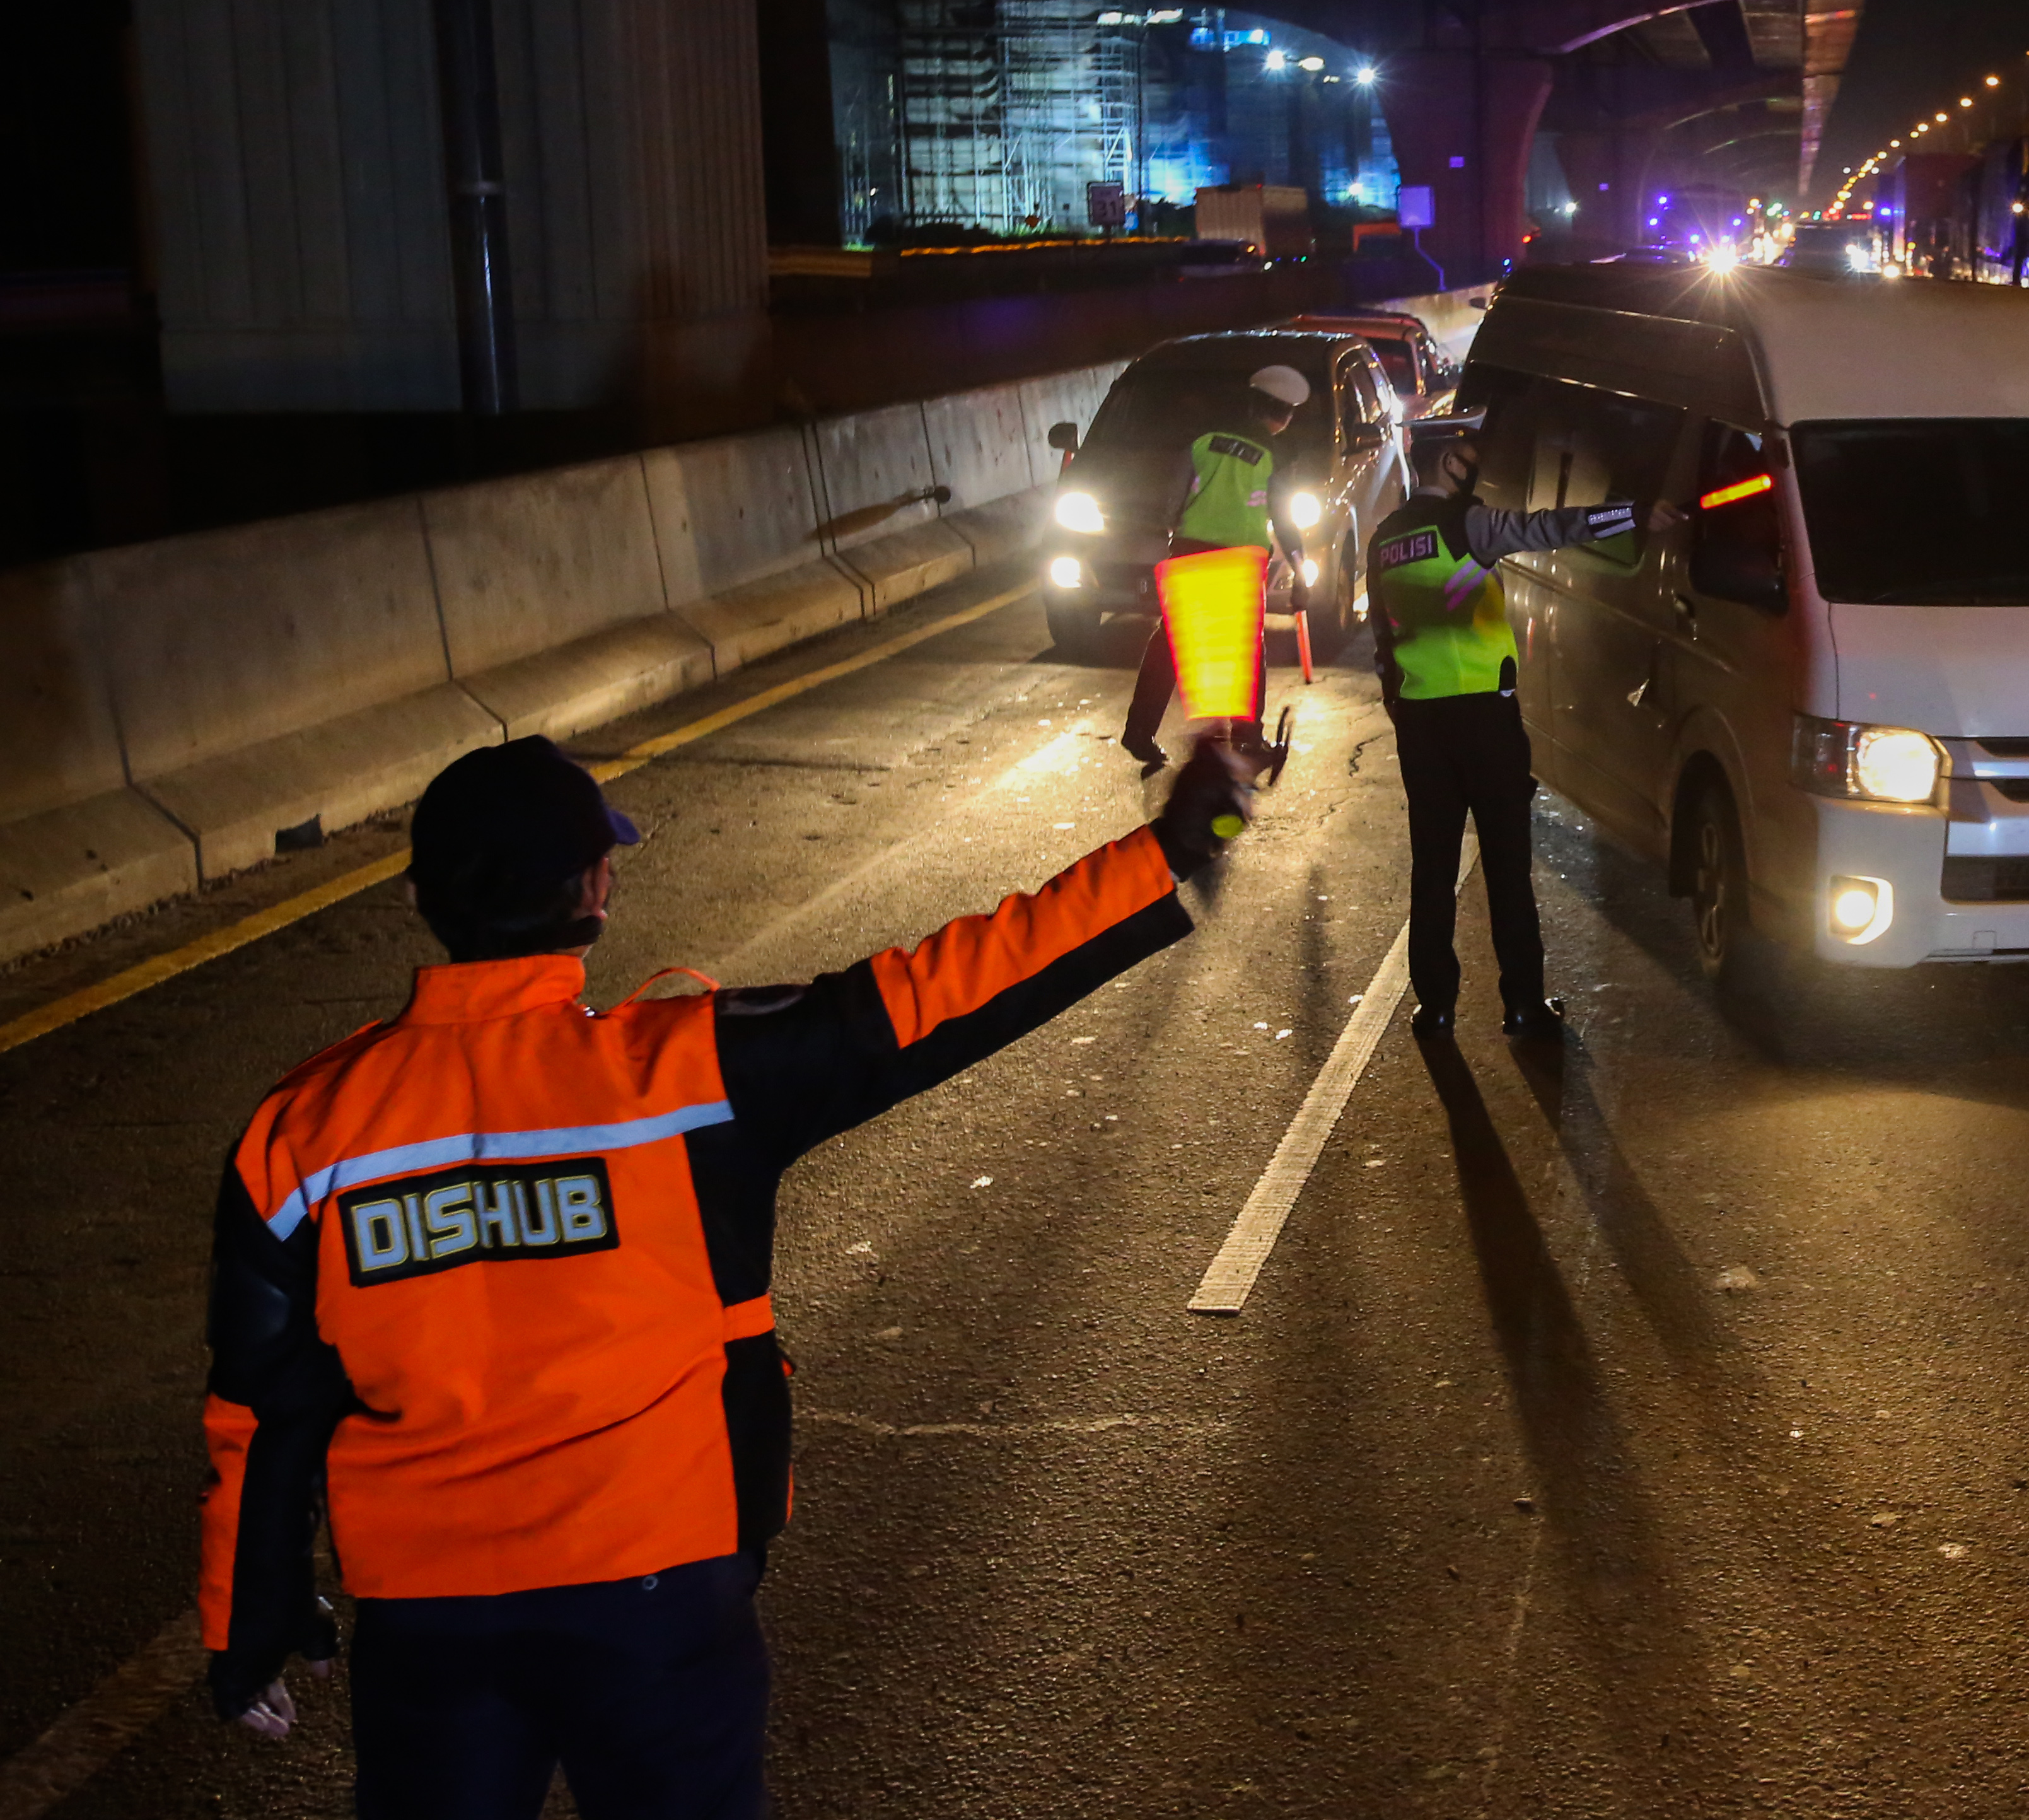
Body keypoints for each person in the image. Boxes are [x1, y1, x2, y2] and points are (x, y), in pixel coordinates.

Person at [199, 731, 1257, 1814]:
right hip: (657, 1603)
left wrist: (252, 1622)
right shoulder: (688, 1074)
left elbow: (258, 1404)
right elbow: (946, 990)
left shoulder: (304, 1130)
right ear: (594, 891)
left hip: (427, 1622)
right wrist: (1171, 845)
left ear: (421, 895)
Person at [1367, 417, 1639, 1036]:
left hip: (1422, 722)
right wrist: (1636, 515)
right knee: (1507, 866)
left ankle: (1434, 1008)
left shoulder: (1383, 539)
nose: (1473, 471)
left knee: (1432, 869)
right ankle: (1522, 1004)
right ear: (1444, 465)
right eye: (1465, 459)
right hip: (1485, 718)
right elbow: (1552, 528)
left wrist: (1402, 706)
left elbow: (1384, 641)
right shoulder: (1469, 525)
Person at [1124, 361, 1311, 771]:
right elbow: (1284, 518)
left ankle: (1139, 730)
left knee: (1173, 643)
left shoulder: (1204, 441)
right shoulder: (1275, 454)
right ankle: (1246, 738)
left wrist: (1176, 534)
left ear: (1251, 404)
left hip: (1191, 551)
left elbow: (1172, 500)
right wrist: (1300, 568)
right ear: (1285, 414)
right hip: (1240, 562)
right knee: (1245, 649)